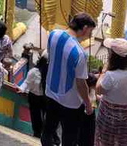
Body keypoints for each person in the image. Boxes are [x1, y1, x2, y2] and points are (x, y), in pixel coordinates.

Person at [41, 12, 97, 146]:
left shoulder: (53, 35)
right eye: (90, 31)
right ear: (84, 28)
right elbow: (81, 83)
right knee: (69, 136)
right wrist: (88, 104)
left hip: (51, 91)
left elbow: (49, 55)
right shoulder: (79, 53)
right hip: (70, 101)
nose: (89, 35)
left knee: (48, 129)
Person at [94, 38, 127, 146]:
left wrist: (103, 72)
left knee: (106, 140)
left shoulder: (111, 75)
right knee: (124, 140)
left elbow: (98, 89)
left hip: (109, 113)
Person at [21, 52, 48, 138]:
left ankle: (47, 135)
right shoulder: (34, 72)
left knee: (48, 117)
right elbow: (26, 82)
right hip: (34, 96)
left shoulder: (51, 74)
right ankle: (37, 133)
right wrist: (21, 89)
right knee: (35, 115)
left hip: (46, 97)